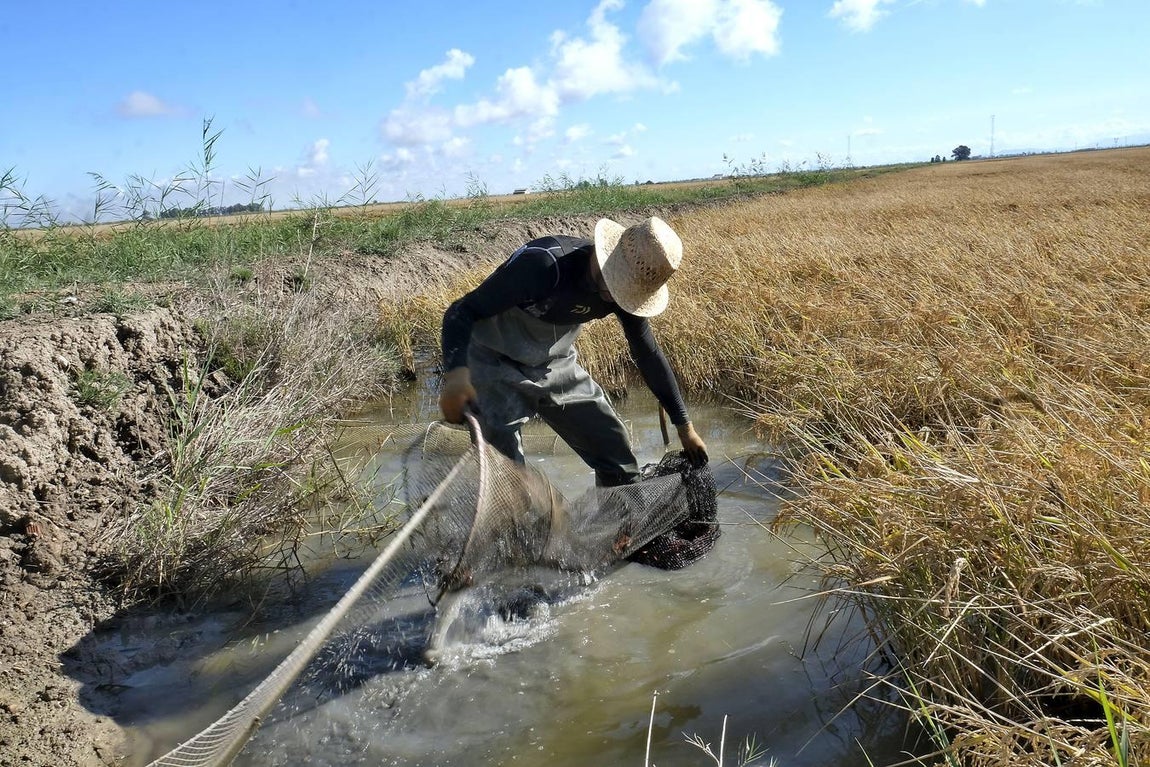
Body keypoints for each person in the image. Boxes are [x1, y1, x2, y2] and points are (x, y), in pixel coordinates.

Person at [438, 215, 708, 488]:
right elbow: (460, 313)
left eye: (627, 293)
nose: (618, 298)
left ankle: (618, 526)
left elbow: (647, 352)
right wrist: (457, 376)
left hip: (554, 361)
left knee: (614, 450)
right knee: (505, 472)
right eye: (617, 286)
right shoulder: (544, 265)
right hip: (491, 359)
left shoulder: (629, 289)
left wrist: (684, 427)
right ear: (608, 258)